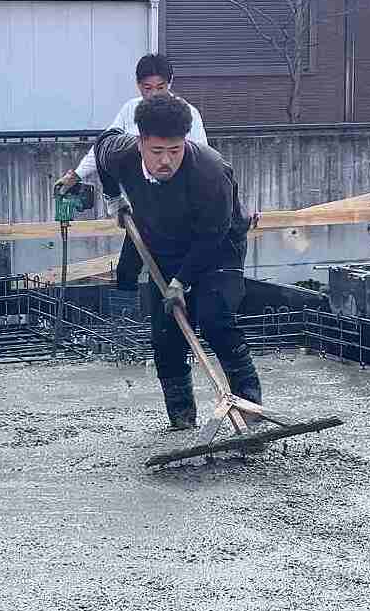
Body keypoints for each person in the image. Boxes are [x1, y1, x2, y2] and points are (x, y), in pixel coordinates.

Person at [93, 93, 261, 432]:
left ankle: (250, 409)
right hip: (163, 246)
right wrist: (114, 199)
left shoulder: (210, 173)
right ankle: (182, 422)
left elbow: (211, 237)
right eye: (157, 151)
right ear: (140, 142)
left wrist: (180, 282)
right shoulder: (120, 153)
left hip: (218, 247)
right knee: (166, 336)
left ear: (185, 141)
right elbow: (100, 148)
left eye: (175, 150)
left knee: (216, 319)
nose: (166, 160)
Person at [57, 54, 207, 292]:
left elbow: (202, 162)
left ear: (170, 84)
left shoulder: (186, 113)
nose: (154, 94)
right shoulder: (131, 110)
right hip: (143, 204)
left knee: (172, 273)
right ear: (139, 85)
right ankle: (125, 321)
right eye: (147, 88)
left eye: (161, 87)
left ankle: (177, 316)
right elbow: (104, 148)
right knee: (127, 269)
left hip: (177, 207)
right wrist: (76, 175)